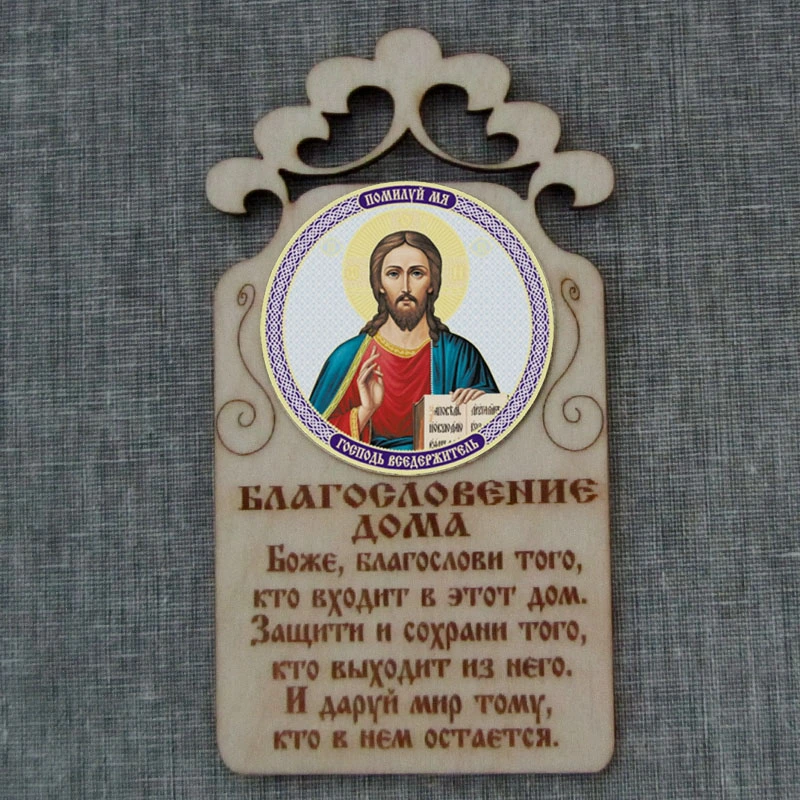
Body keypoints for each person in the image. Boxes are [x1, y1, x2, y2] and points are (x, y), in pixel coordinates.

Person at [309, 230, 498, 450]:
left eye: (417, 273)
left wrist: (480, 405)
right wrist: (366, 410)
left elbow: (496, 435)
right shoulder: (347, 357)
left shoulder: (459, 354)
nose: (405, 287)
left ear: (432, 283)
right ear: (379, 283)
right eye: (393, 274)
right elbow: (313, 437)